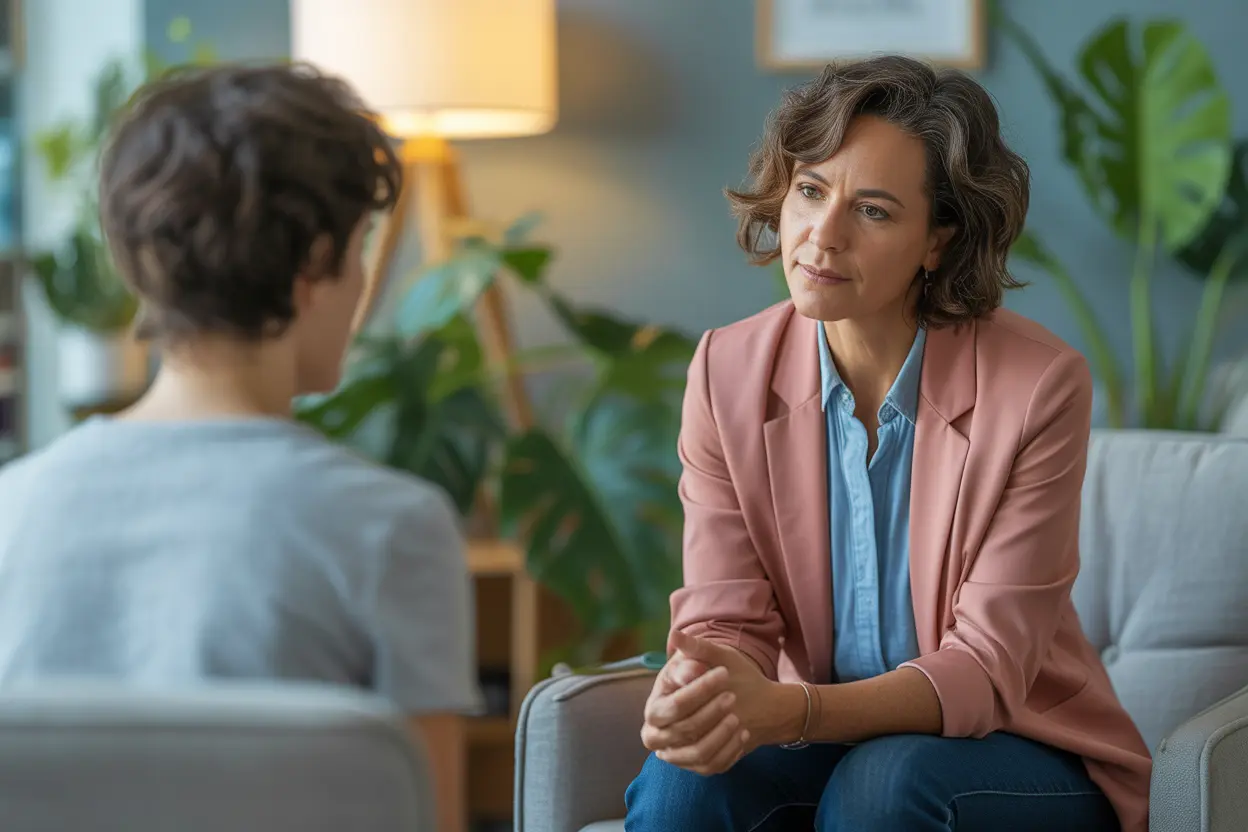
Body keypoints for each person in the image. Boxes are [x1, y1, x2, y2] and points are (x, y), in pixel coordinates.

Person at [624, 56, 1152, 832]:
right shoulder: (725, 372)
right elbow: (725, 621)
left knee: (882, 783)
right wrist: (703, 687)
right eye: (810, 191)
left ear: (937, 241)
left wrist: (790, 711)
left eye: (872, 211)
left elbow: (986, 670)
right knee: (682, 786)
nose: (820, 237)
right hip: (810, 726)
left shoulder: (1038, 388)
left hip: (1015, 744)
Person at [0, 65, 480, 832]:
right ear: (315, 266)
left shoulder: (9, 511)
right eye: (360, 248)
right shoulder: (393, 528)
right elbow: (425, 817)